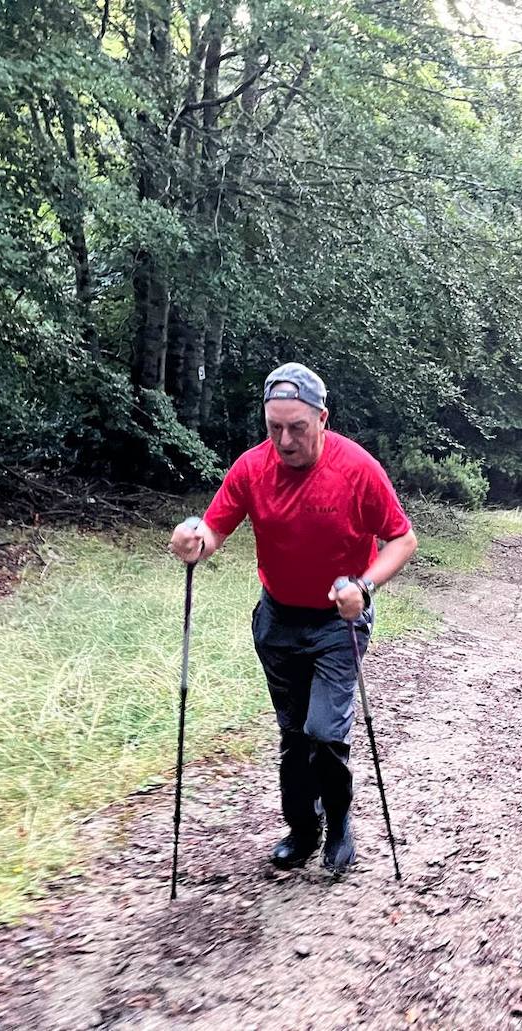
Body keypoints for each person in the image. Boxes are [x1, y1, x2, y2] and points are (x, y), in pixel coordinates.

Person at [168, 362, 418, 873]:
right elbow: (212, 531)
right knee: (294, 736)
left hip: (337, 622)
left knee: (325, 732)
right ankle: (303, 830)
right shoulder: (252, 469)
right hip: (279, 621)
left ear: (322, 418)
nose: (284, 441)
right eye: (273, 428)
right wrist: (193, 542)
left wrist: (365, 587)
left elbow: (403, 538)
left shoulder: (357, 469)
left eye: (296, 428)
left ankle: (340, 822)